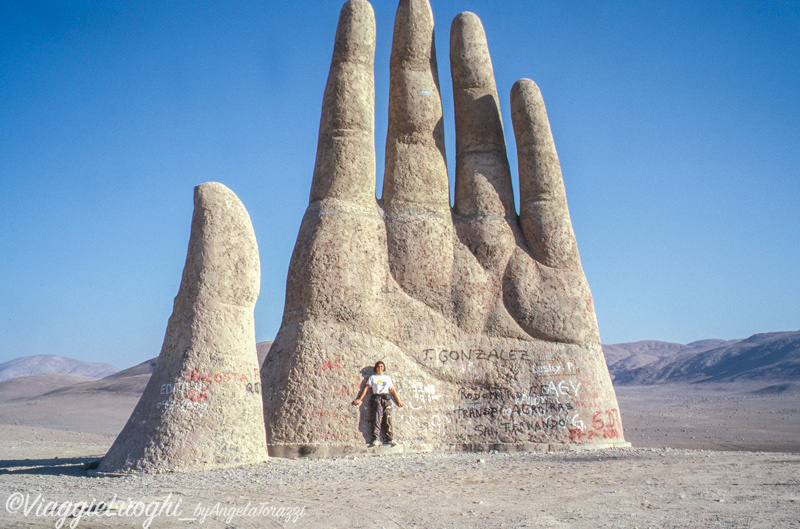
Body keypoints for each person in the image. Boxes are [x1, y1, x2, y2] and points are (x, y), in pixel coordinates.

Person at [352, 360, 404, 446]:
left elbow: (392, 390)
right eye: (378, 367)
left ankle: (390, 438)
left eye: (382, 367)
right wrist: (360, 399)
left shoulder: (387, 378)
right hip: (377, 398)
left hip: (386, 398)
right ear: (376, 368)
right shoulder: (373, 378)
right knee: (377, 418)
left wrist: (398, 400)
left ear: (384, 368)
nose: (380, 368)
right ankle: (376, 439)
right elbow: (366, 388)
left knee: (388, 418)